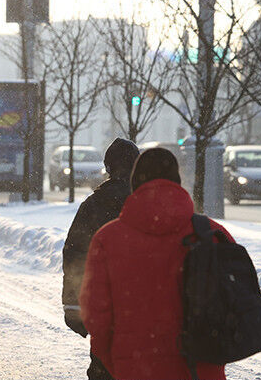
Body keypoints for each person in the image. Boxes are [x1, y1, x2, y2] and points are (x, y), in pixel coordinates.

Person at [80, 148, 234, 380]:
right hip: (200, 370)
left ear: (135, 182)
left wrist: (118, 365)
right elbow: (237, 307)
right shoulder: (213, 234)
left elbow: (96, 317)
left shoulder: (107, 239)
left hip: (133, 368)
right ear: (177, 181)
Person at [61, 137, 139, 379]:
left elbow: (76, 254)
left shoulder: (93, 206)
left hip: (106, 309)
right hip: (146, 311)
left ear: (108, 168)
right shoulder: (147, 204)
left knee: (104, 366)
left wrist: (73, 305)